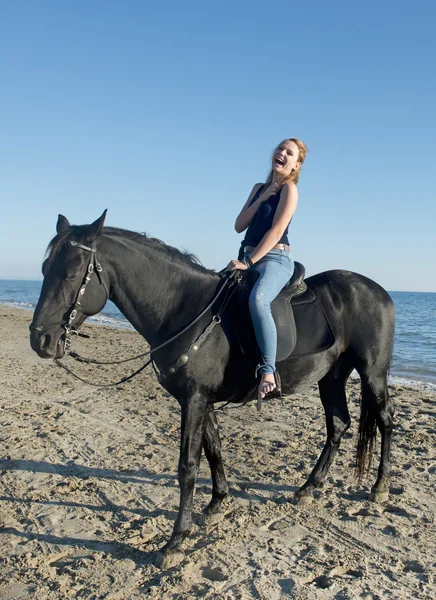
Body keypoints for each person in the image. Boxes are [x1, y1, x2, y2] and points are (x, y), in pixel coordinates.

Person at [227, 138, 308, 400]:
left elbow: (275, 232)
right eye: (280, 149)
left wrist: (249, 263)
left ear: (296, 164)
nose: (282, 154)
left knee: (259, 299)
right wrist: (262, 196)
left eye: (289, 153)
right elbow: (239, 225)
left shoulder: (290, 190)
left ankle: (268, 372)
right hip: (249, 255)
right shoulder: (258, 188)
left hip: (275, 259)